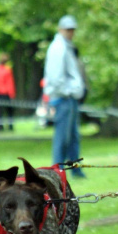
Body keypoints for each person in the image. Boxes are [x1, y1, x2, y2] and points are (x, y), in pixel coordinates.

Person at [44, 15, 87, 178]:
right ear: (60, 29)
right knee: (62, 138)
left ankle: (75, 169)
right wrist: (68, 92)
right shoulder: (58, 48)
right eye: (68, 29)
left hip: (70, 98)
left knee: (73, 137)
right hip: (63, 98)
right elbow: (55, 78)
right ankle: (57, 171)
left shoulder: (66, 46)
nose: (71, 33)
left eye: (72, 30)